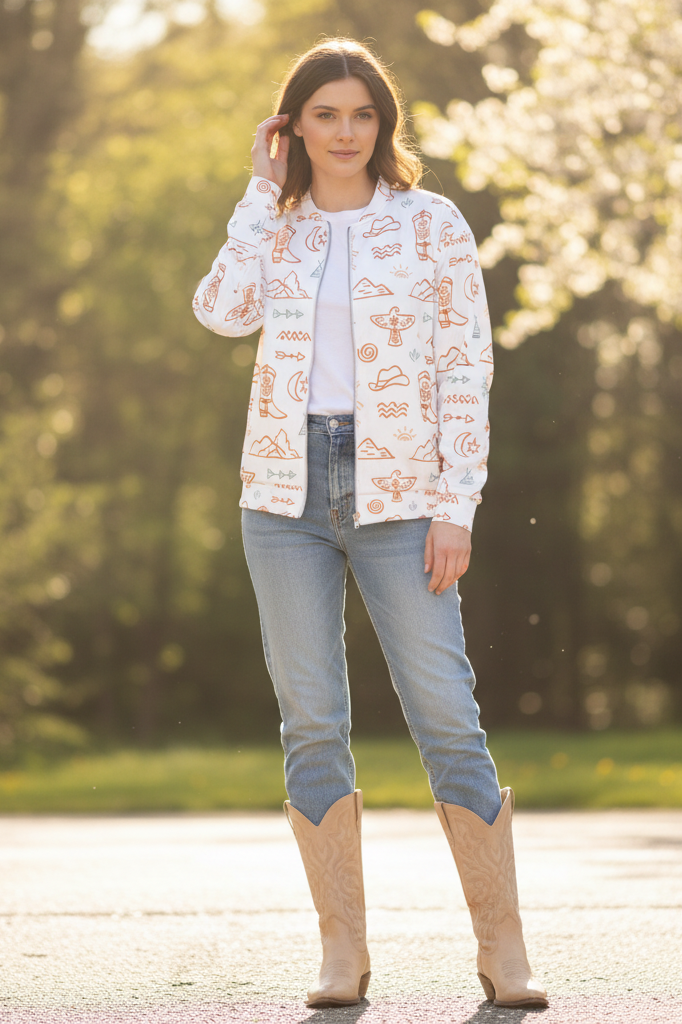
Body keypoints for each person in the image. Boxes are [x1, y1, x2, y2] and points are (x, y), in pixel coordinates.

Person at [192, 38, 547, 1011]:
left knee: (446, 714)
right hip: (284, 496)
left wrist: (454, 504)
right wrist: (259, 201)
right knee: (311, 723)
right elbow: (220, 312)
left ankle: (502, 949)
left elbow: (463, 371)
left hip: (401, 497)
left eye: (361, 115)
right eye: (324, 116)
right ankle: (340, 952)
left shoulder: (430, 225)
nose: (345, 133)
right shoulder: (280, 223)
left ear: (382, 125)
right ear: (291, 128)